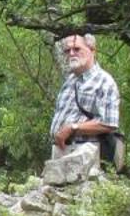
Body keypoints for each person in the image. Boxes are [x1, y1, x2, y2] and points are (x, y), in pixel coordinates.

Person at [49, 31, 122, 167]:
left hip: (86, 152)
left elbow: (109, 123)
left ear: (92, 49)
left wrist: (72, 128)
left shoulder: (104, 81)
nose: (71, 53)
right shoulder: (69, 81)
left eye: (76, 49)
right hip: (61, 150)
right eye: (67, 50)